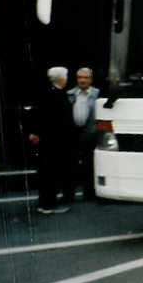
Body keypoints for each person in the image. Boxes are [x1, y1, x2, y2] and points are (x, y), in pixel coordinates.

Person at [28, 67, 76, 214]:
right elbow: (51, 119)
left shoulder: (49, 92)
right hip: (53, 141)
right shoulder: (56, 94)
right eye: (66, 76)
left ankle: (45, 203)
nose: (67, 78)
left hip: (49, 140)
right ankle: (49, 204)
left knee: (47, 172)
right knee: (51, 173)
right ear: (61, 79)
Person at [67, 67, 100, 200]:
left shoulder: (97, 94)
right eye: (80, 77)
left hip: (91, 133)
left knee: (89, 164)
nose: (82, 80)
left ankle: (90, 193)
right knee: (71, 164)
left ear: (91, 80)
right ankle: (69, 194)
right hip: (73, 133)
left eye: (85, 78)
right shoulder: (70, 94)